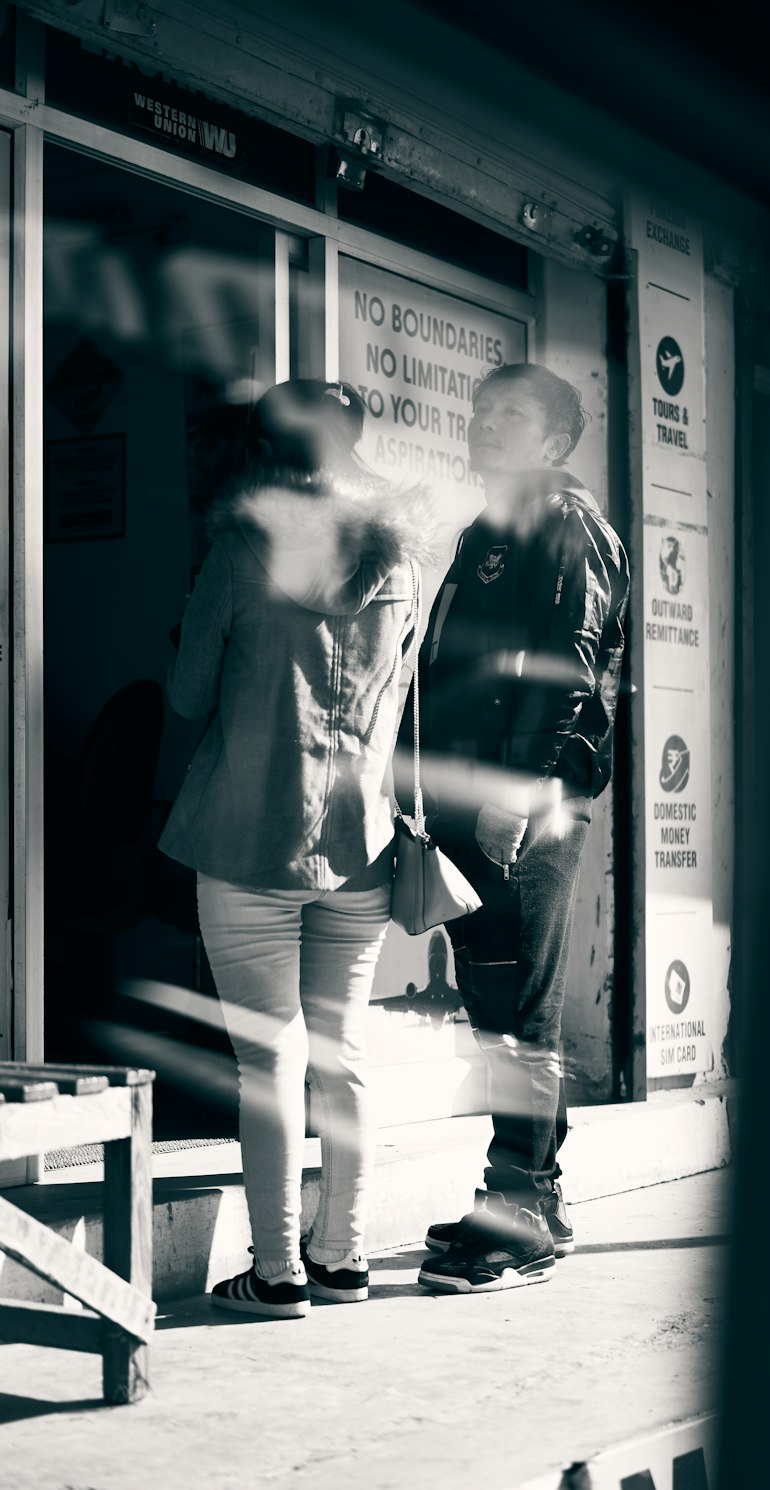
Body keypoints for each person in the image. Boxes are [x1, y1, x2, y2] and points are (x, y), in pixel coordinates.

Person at [160, 378, 431, 1318]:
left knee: (265, 1064)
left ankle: (275, 1272)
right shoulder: (403, 559)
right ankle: (344, 1258)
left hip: (244, 839)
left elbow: (188, 693)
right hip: (360, 841)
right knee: (344, 1057)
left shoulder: (239, 547)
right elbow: (401, 694)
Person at [400, 361, 630, 1294]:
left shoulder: (566, 525)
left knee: (517, 1009)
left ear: (556, 444)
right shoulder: (488, 529)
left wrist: (519, 792)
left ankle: (521, 1208)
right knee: (495, 1003)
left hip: (520, 806)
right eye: (481, 411)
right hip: (467, 802)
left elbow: (566, 673)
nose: (485, 425)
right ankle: (532, 1195)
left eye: (512, 417)